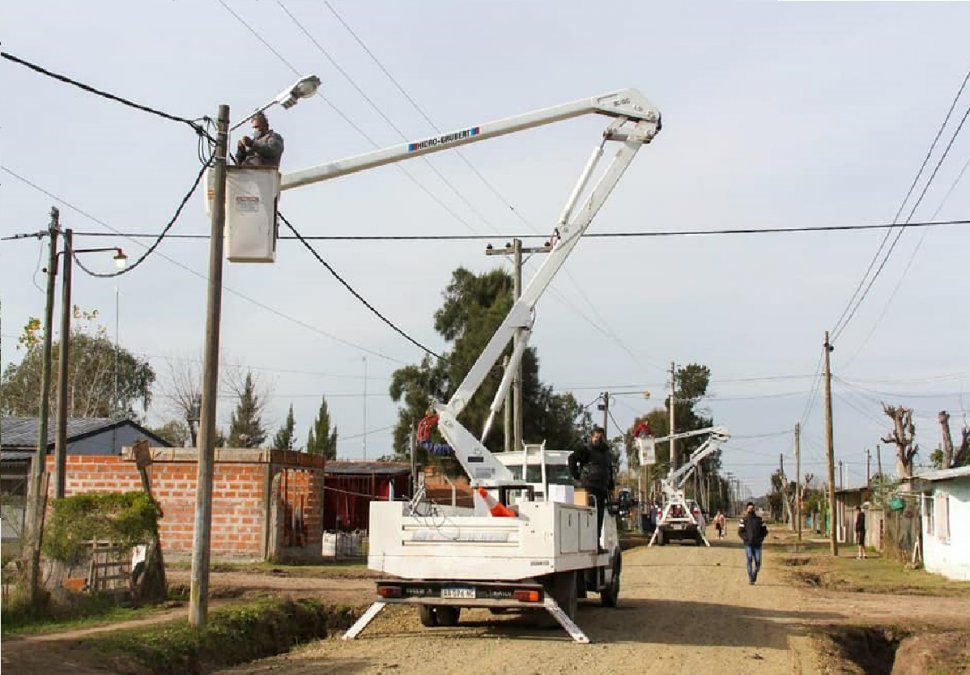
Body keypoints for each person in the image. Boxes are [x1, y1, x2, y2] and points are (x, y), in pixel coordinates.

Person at [568, 426, 615, 548]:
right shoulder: (586, 449)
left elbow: (609, 470)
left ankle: (596, 543)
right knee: (587, 517)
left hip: (601, 489)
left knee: (599, 518)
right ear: (591, 437)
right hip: (588, 488)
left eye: (601, 437)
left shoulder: (606, 453)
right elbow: (572, 459)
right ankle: (585, 543)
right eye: (596, 437)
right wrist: (576, 476)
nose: (598, 440)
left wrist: (611, 487)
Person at [738, 502, 768, 584]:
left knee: (758, 562)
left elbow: (765, 531)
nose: (751, 510)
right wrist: (746, 539)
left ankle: (755, 573)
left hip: (757, 544)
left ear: (754, 509)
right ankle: (751, 578)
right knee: (749, 559)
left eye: (752, 508)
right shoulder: (743, 520)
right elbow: (740, 532)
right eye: (749, 508)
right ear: (747, 509)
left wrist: (760, 539)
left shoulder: (760, 520)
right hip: (748, 544)